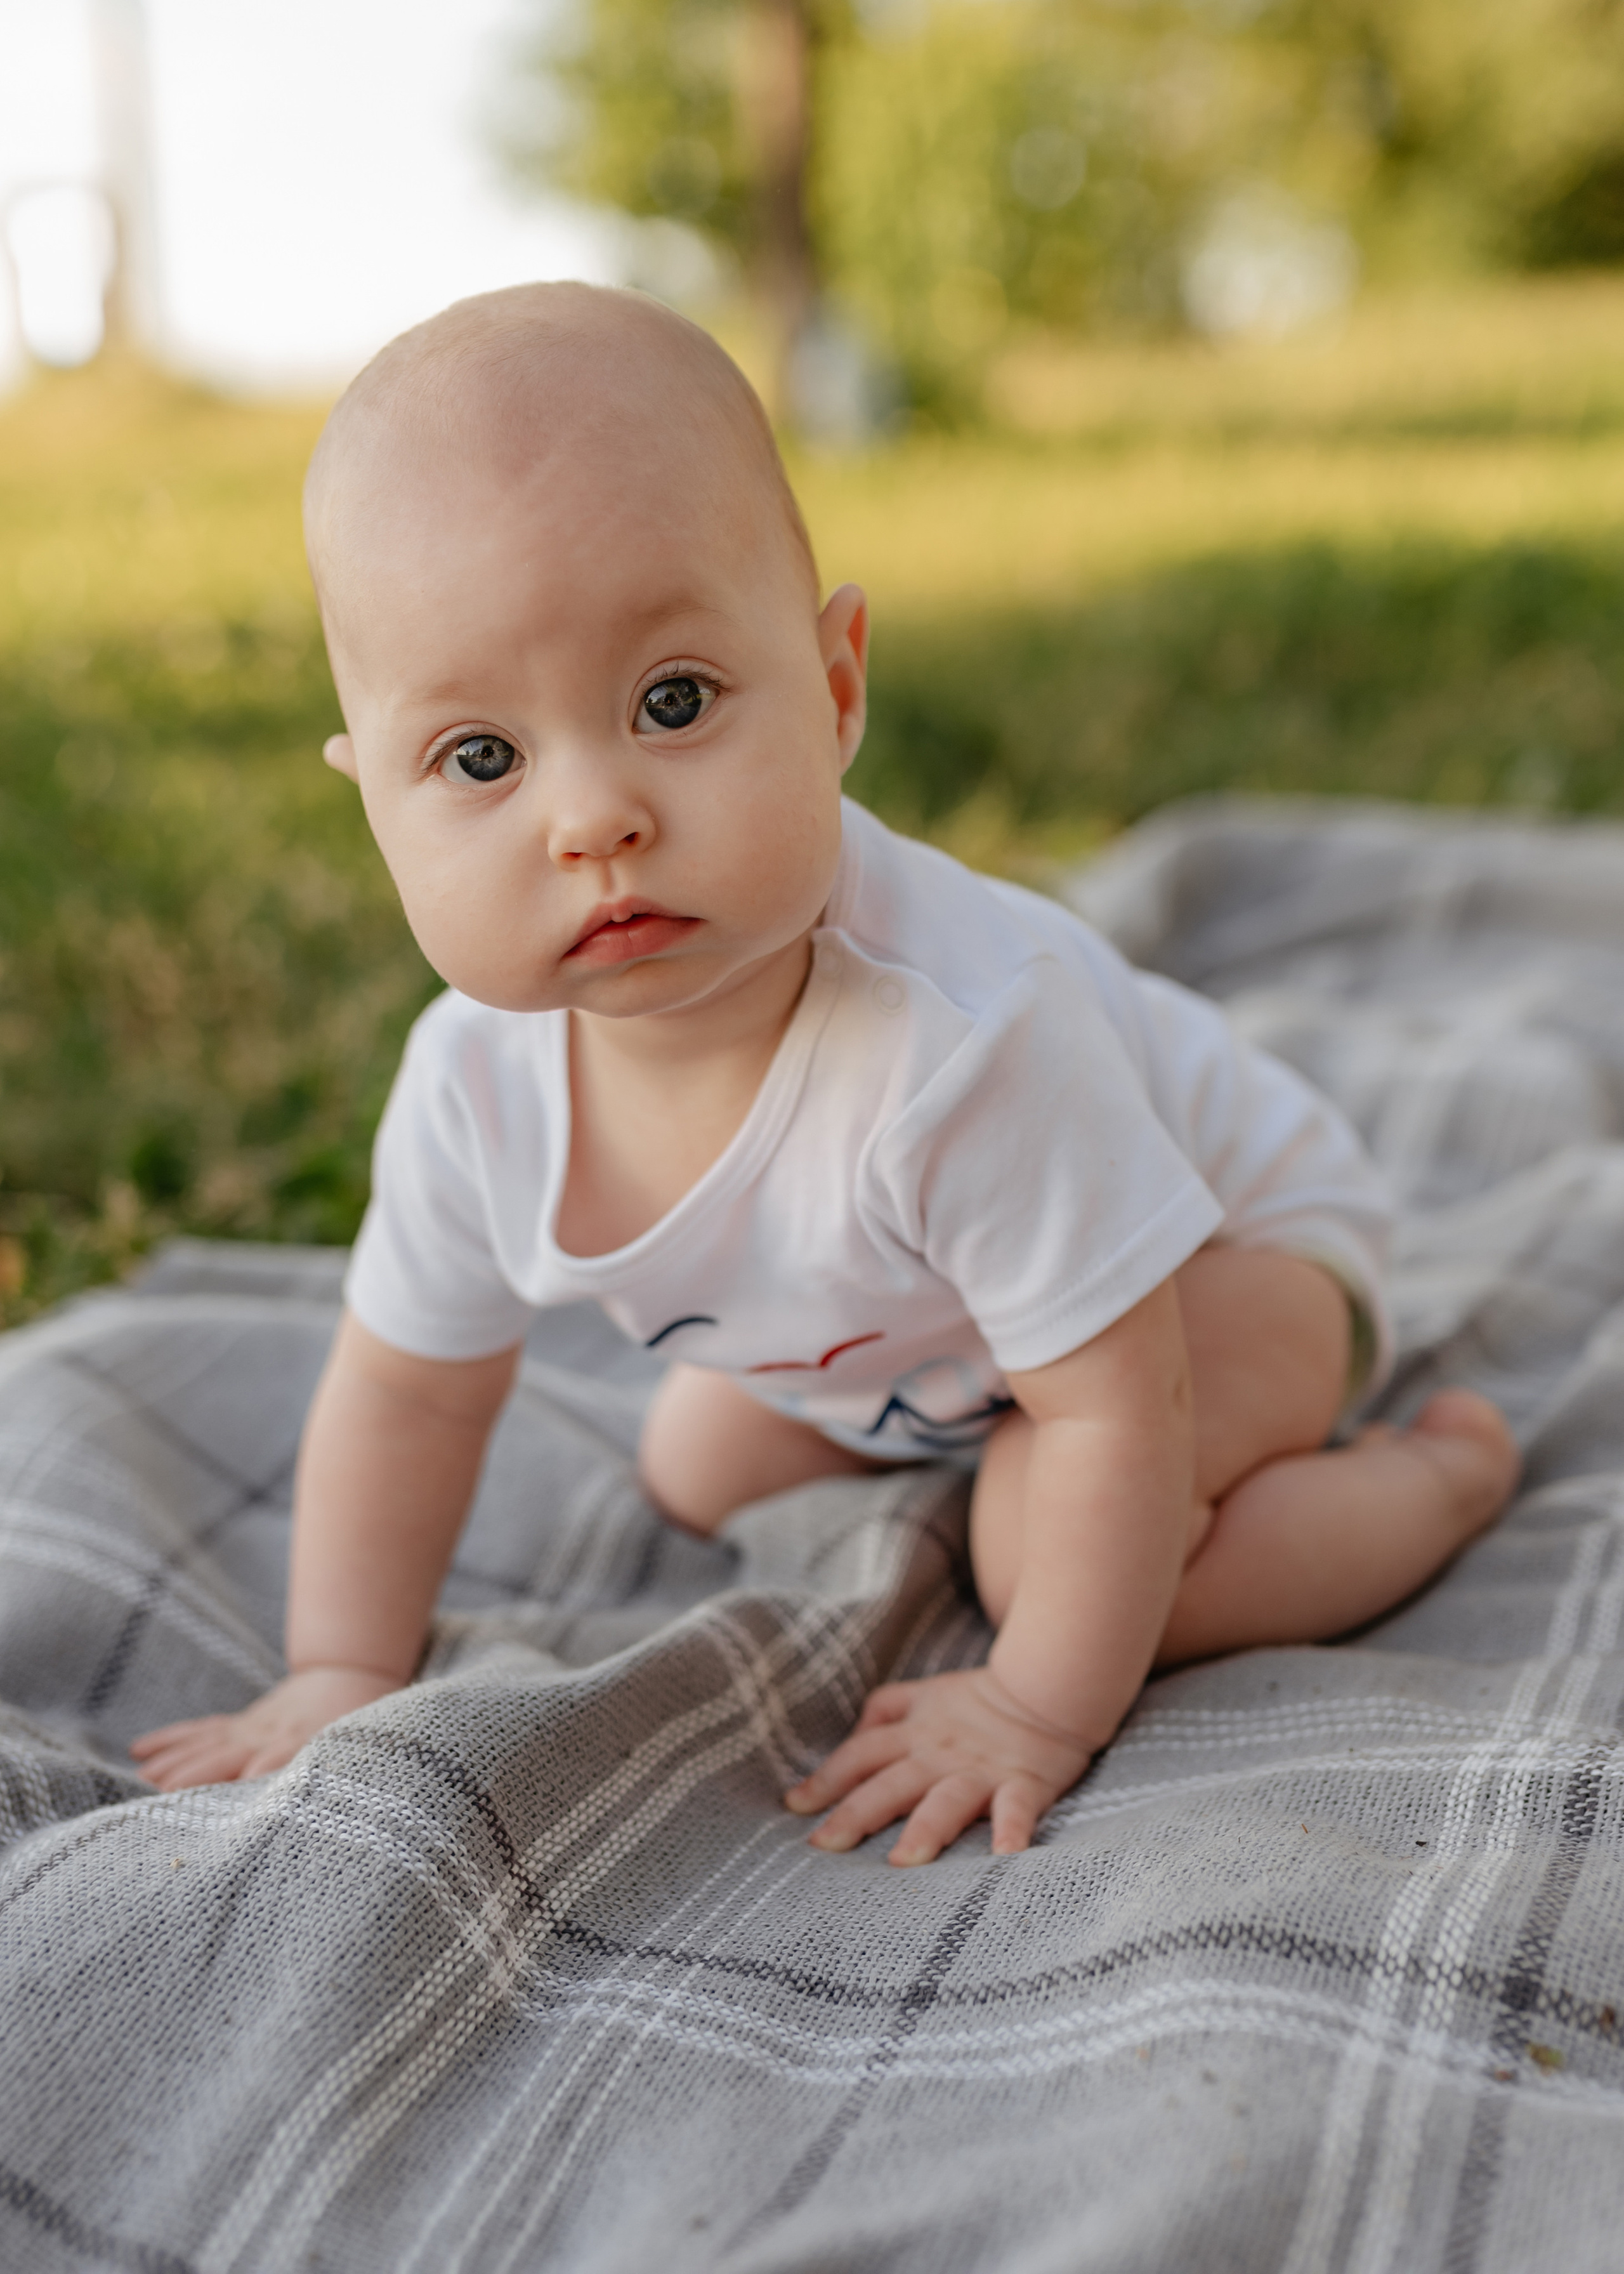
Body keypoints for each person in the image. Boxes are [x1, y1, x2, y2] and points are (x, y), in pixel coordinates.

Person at [130, 284, 1519, 1863]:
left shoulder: (964, 1043)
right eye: (479, 758)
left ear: (836, 688)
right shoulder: (476, 1093)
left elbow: (1116, 1411)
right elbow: (404, 1389)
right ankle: (981, 1431)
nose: (589, 815)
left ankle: (1433, 1483)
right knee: (694, 1454)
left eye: (672, 701)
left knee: (1049, 1541)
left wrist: (1034, 1704)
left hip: (1221, 1255)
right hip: (942, 1325)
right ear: (369, 796)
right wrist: (340, 1667)